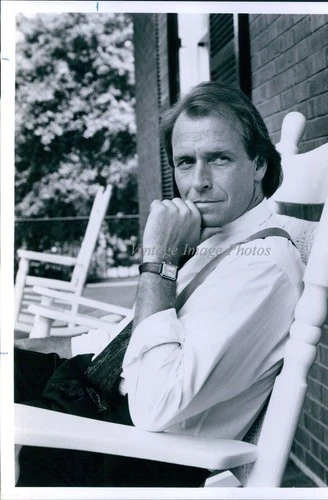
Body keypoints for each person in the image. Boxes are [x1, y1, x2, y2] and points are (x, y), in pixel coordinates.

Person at [15, 81, 304, 487]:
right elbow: (129, 340)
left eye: (218, 158)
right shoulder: (217, 238)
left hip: (127, 453)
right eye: (185, 162)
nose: (199, 181)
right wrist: (33, 350)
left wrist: (160, 261)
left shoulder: (262, 265)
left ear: (259, 164)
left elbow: (154, 405)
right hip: (92, 392)